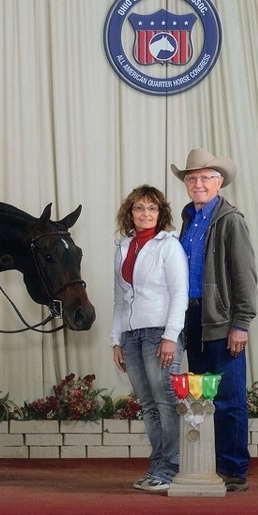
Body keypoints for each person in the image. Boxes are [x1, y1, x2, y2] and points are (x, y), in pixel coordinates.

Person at [171, 148, 257, 492]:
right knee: (203, 396)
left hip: (221, 320)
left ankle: (233, 469)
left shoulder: (231, 220)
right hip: (194, 319)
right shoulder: (188, 219)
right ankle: (208, 465)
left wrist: (241, 323)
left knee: (229, 398)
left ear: (219, 182)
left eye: (206, 177)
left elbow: (245, 276)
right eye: (192, 178)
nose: (198, 183)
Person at [111, 185, 188, 492]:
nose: (146, 214)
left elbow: (179, 294)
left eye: (152, 208)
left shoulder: (168, 245)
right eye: (139, 208)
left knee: (165, 402)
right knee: (148, 403)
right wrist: (115, 340)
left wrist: (171, 337)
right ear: (130, 213)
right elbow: (119, 298)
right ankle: (157, 465)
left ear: (161, 213)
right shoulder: (123, 247)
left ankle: (171, 468)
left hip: (159, 332)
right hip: (131, 335)